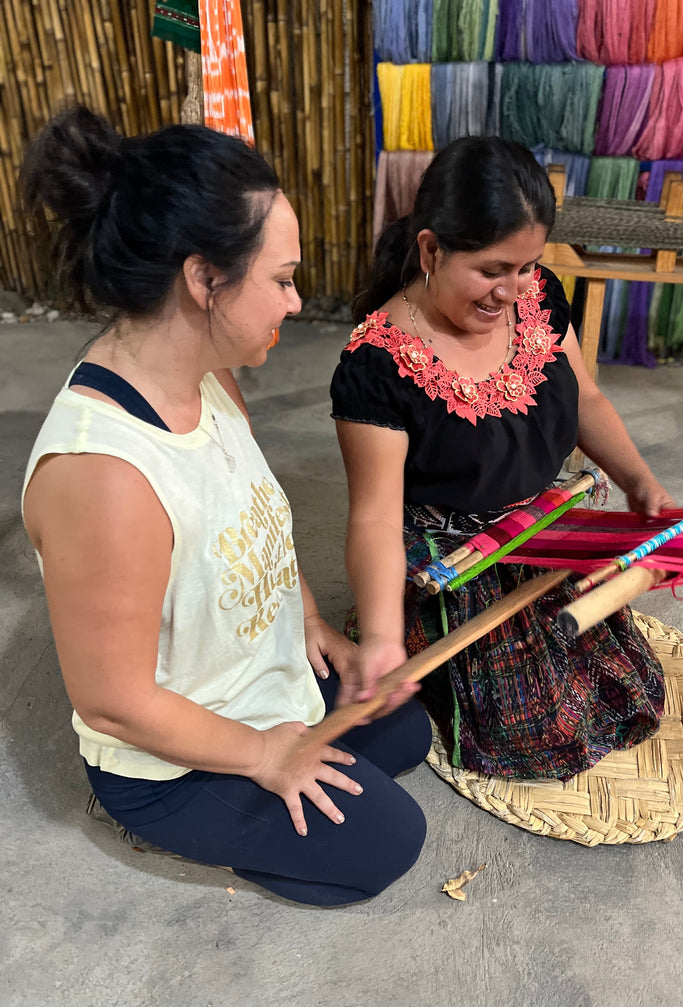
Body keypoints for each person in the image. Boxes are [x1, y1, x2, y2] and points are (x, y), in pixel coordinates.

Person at [20, 107, 430, 907]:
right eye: (281, 278)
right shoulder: (103, 475)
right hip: (168, 761)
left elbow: (255, 513)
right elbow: (112, 700)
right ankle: (182, 818)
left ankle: (283, 728)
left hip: (260, 677)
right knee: (389, 843)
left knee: (406, 731)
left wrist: (309, 624)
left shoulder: (208, 369)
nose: (296, 299)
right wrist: (264, 754)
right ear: (204, 277)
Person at [331, 136, 672, 781]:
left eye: (524, 267)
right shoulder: (377, 364)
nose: (510, 291)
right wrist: (379, 638)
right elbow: (374, 516)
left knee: (625, 683)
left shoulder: (538, 296)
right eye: (491, 270)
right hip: (455, 556)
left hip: (541, 527)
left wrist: (637, 479)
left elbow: (586, 397)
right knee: (533, 726)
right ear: (431, 250)